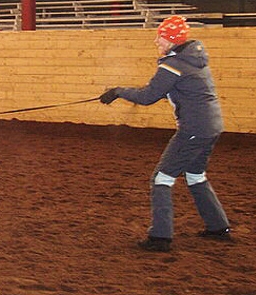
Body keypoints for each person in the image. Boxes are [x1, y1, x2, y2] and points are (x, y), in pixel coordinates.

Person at [99, 15, 231, 252]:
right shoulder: (192, 60)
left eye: (160, 36)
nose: (156, 40)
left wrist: (117, 91)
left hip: (193, 129)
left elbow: (148, 96)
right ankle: (217, 226)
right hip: (211, 127)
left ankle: (160, 237)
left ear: (170, 39)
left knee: (161, 179)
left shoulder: (173, 65)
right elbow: (158, 91)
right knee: (195, 175)